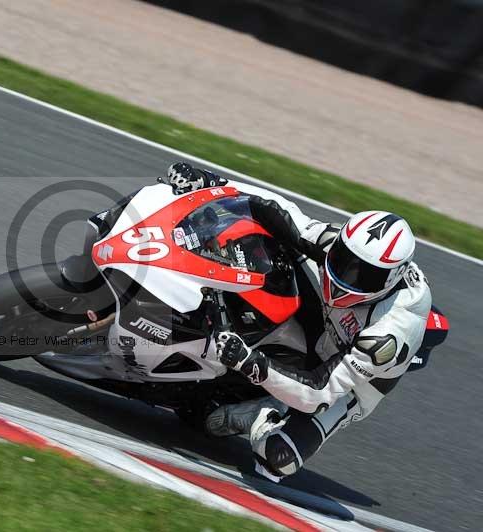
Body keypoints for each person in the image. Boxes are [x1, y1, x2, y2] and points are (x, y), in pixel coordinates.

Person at [165, 162, 432, 482]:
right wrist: (213, 182)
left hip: (348, 383)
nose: (347, 278)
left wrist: (249, 362)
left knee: (277, 458)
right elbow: (280, 211)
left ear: (392, 281)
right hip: (325, 321)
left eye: (365, 276)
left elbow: (320, 392)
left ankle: (260, 412)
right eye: (345, 262)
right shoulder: (339, 244)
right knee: (262, 239)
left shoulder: (388, 333)